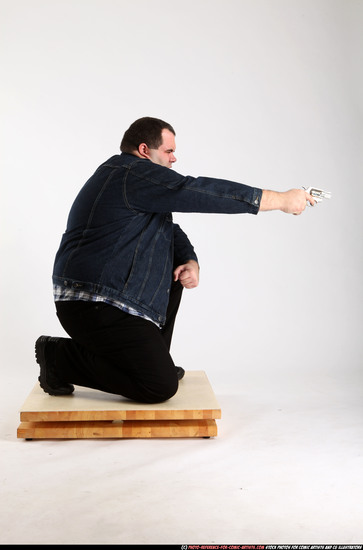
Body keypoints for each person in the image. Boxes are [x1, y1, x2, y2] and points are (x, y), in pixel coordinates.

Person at [35, 117, 315, 403]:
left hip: (109, 300)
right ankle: (59, 358)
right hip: (93, 304)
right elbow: (196, 192)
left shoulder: (130, 180)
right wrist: (279, 199)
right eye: (168, 151)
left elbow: (167, 229)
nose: (174, 158)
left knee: (173, 274)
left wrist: (189, 260)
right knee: (158, 387)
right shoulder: (132, 173)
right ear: (145, 150)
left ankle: (152, 364)